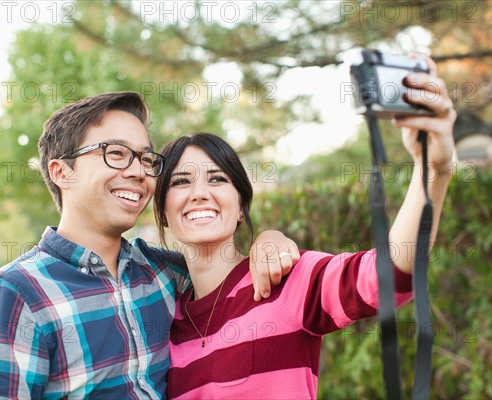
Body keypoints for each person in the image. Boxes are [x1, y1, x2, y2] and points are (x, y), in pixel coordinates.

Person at [0, 92, 299, 399]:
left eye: (146, 159)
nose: (139, 172)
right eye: (116, 153)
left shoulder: (166, 273)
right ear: (62, 173)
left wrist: (268, 239)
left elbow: (227, 265)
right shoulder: (13, 295)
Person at [154, 55, 457, 399]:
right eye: (181, 182)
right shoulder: (164, 316)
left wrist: (433, 168)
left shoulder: (284, 279)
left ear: (241, 207)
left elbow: (390, 275)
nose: (199, 194)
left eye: (217, 178)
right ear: (163, 211)